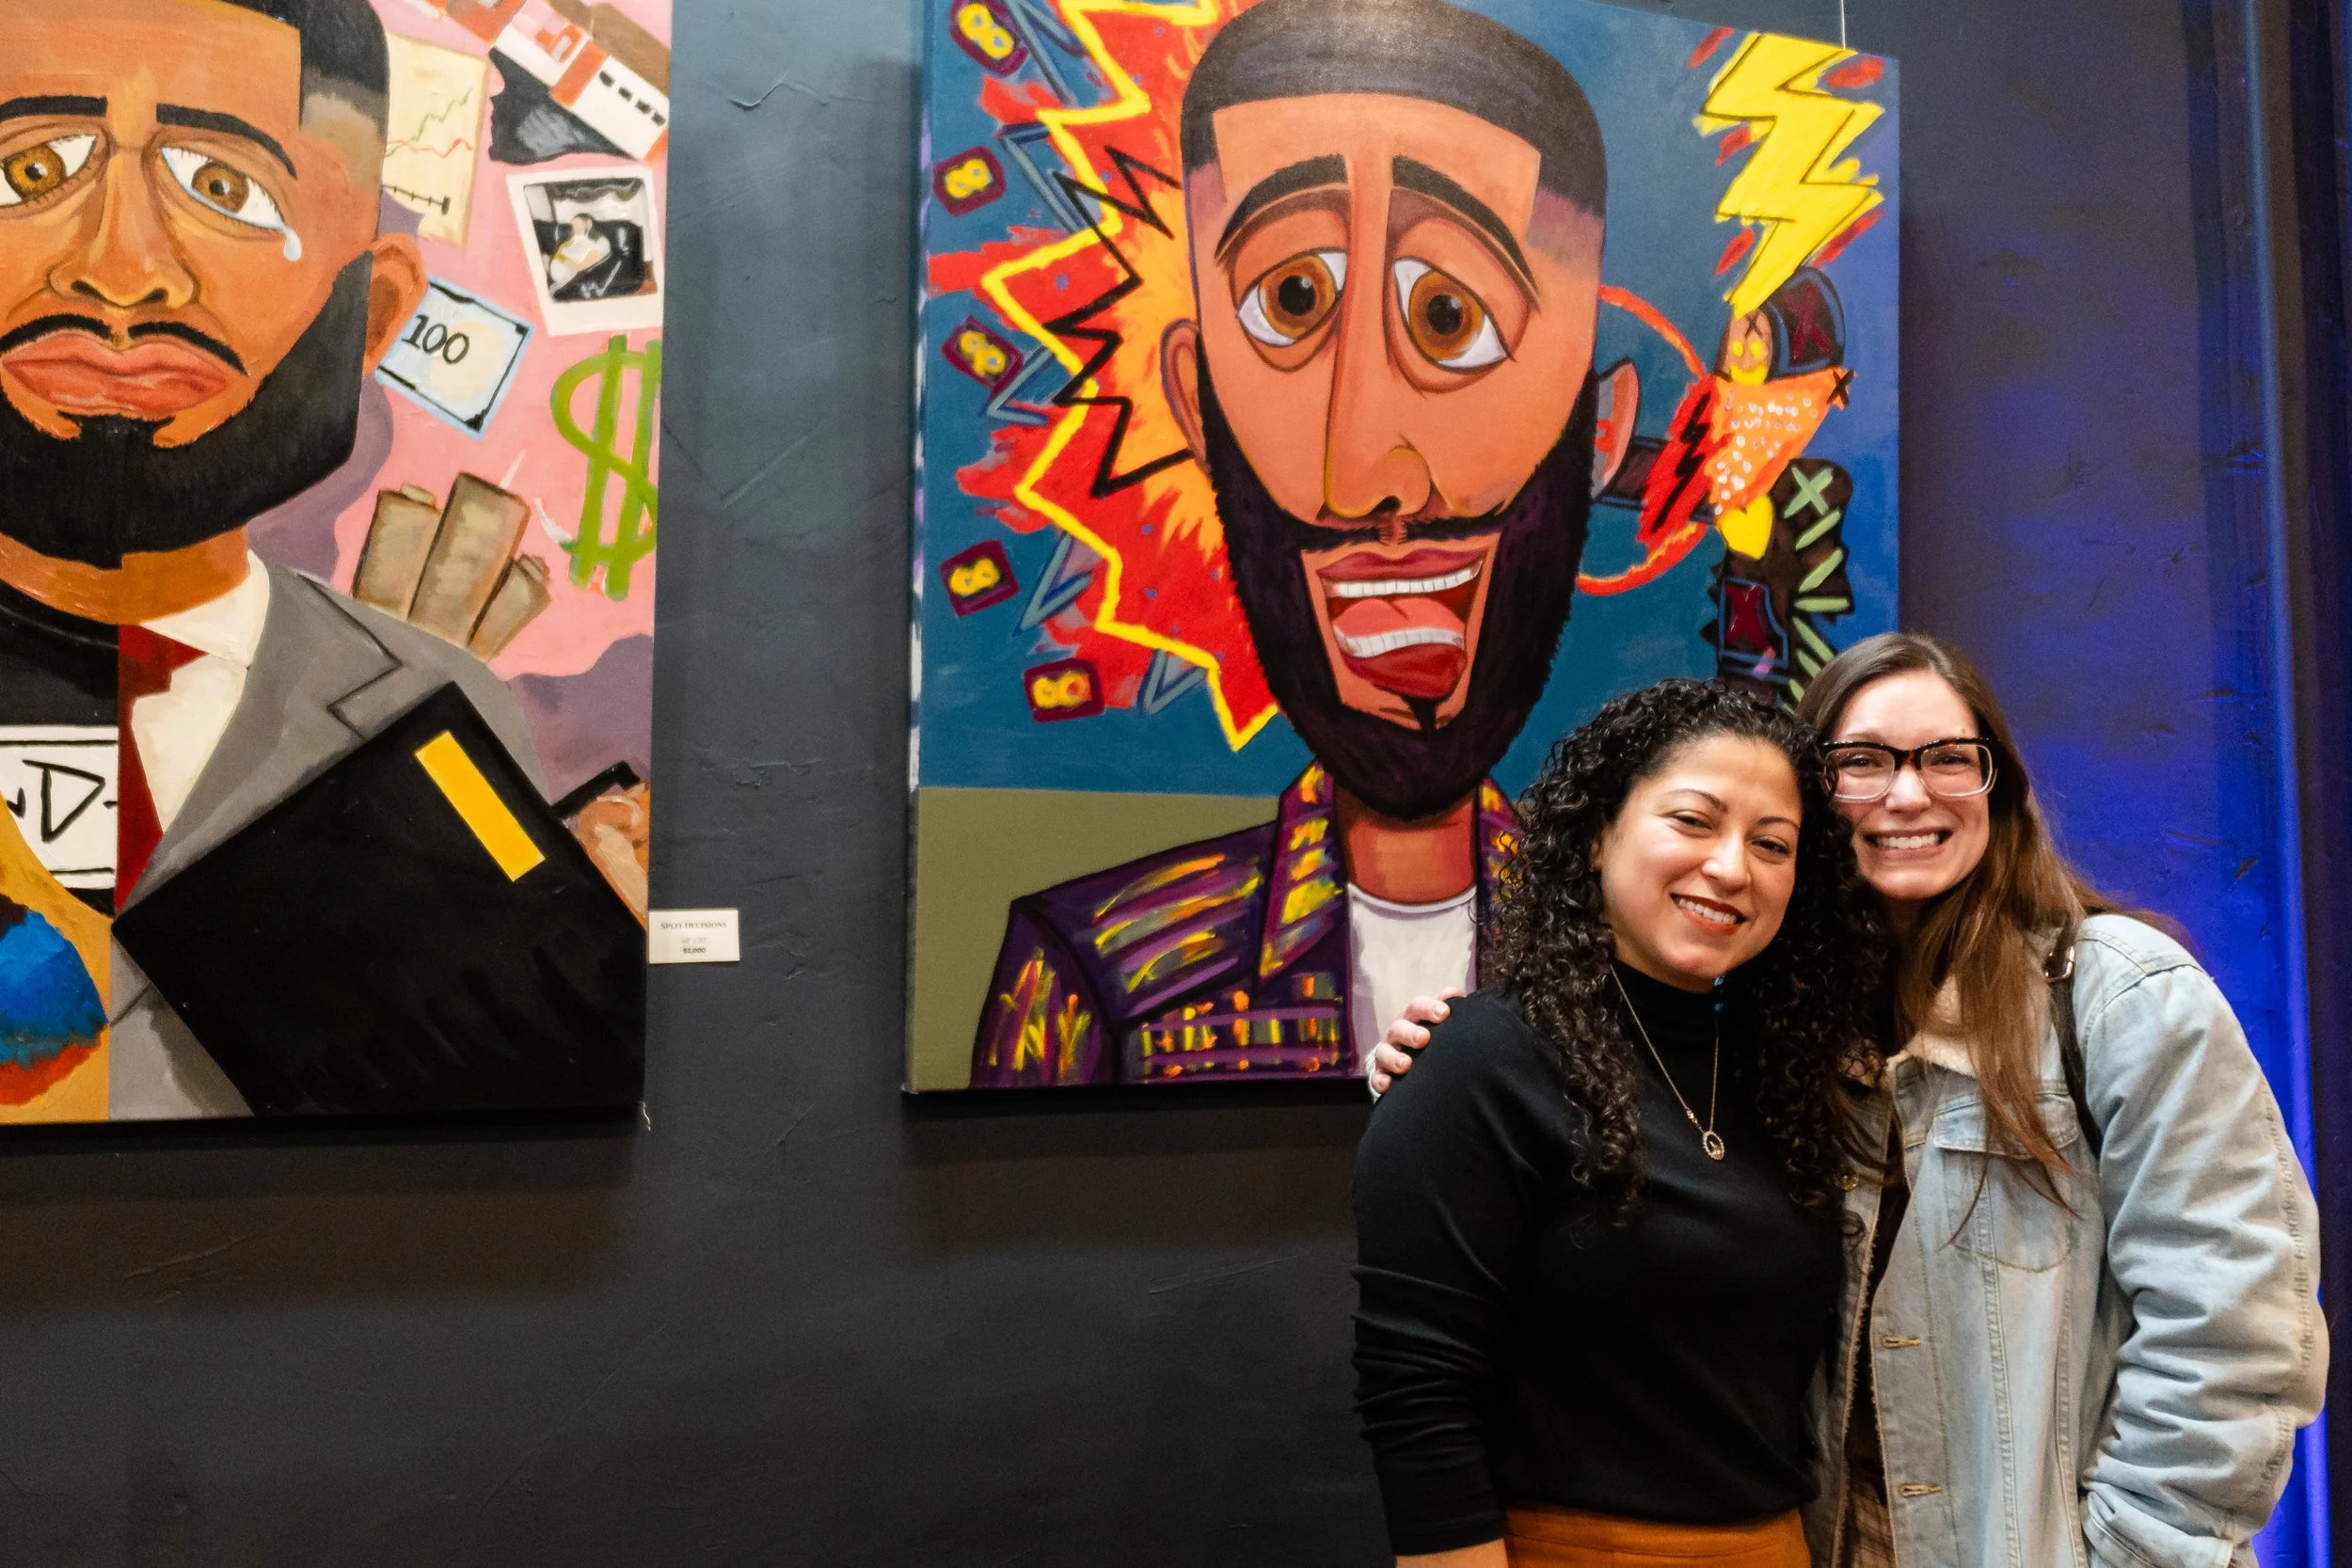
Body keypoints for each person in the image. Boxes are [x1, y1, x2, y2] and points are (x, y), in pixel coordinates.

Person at [1371, 635, 2327, 1567]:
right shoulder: (1784, 1037)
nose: (1907, 793)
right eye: (1862, 760)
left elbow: (2237, 1337)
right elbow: (1424, 1373)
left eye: (1949, 758)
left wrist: (2137, 1554)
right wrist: (1448, 1057)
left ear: (1998, 787)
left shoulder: (2118, 994)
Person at [966, 0, 1642, 1088]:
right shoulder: (1092, 980)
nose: (1363, 473)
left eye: (1447, 317)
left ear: (1600, 427)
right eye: (1290, 301)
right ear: (1194, 399)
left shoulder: (1644, 971)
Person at [0, 0, 635, 1117]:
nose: (120, 269)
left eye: (224, 188)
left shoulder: (438, 706)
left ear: (379, 309)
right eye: (31, 169)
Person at [1354, 678, 1887, 1567]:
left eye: (1772, 844)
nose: (1731, 866)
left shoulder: (1784, 1082)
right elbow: (1417, 1395)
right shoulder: (1482, 1061)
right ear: (1601, 831)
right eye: (1693, 820)